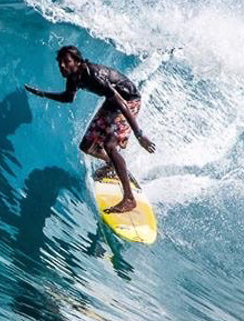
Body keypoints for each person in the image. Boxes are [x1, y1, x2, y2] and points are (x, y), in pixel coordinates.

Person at [25, 45, 156, 214]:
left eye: (67, 62)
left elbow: (122, 103)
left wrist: (139, 134)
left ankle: (129, 199)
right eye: (60, 64)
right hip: (112, 104)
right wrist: (42, 94)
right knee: (87, 146)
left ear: (78, 62)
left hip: (128, 101)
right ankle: (112, 164)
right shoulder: (73, 78)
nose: (62, 67)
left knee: (109, 145)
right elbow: (67, 98)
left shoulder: (94, 75)